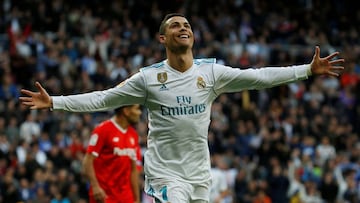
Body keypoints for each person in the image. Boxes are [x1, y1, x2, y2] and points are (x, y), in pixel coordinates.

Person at [20, 13, 344, 203]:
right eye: (175, 25)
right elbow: (104, 98)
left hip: (199, 173)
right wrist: (55, 103)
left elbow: (257, 77)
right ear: (163, 38)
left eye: (186, 24)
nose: (183, 27)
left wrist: (306, 70)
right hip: (166, 173)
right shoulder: (148, 79)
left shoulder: (211, 73)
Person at [82, 105, 142, 203]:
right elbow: (87, 161)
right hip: (105, 196)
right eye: (136, 109)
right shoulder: (103, 130)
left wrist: (136, 198)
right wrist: (95, 187)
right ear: (126, 111)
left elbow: (134, 169)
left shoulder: (133, 135)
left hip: (126, 197)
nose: (139, 113)